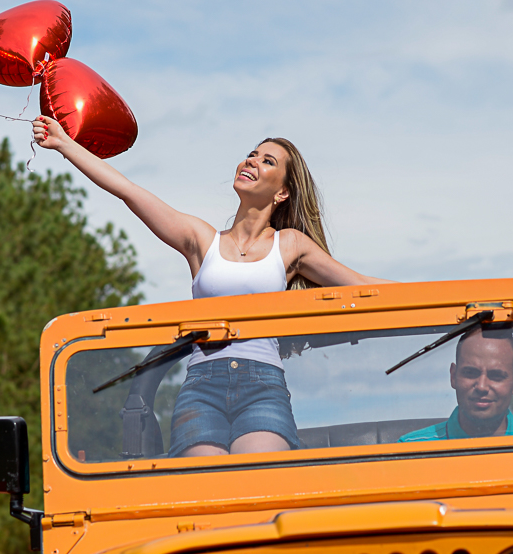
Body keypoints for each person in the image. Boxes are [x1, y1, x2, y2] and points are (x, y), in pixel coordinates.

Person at [32, 115, 389, 457]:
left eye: (267, 161)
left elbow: (360, 285)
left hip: (263, 385)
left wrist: (428, 295)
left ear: (282, 192)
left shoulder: (291, 245)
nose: (252, 161)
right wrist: (64, 143)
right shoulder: (202, 240)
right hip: (202, 385)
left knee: (260, 474)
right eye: (252, 154)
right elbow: (128, 191)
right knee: (204, 479)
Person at [399, 329, 513, 440]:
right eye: (470, 373)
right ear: (453, 376)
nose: (482, 386)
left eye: (496, 376)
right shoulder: (411, 451)